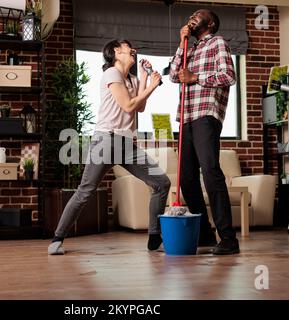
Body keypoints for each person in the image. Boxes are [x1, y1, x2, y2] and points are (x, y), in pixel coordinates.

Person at [48, 39, 171, 255]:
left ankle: (154, 237)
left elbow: (139, 107)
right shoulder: (112, 74)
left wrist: (144, 79)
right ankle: (57, 239)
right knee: (85, 191)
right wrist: (151, 85)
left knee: (161, 183)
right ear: (116, 51)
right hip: (106, 140)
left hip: (126, 143)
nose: (132, 49)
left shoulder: (131, 79)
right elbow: (127, 104)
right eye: (127, 46)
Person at [169, 9, 239, 255]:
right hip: (186, 117)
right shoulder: (191, 47)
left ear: (209, 23)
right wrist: (182, 43)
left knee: (210, 171)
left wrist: (195, 77)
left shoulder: (218, 42)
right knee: (186, 179)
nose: (192, 16)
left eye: (198, 14)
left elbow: (229, 76)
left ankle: (229, 239)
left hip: (206, 115)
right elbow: (173, 76)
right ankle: (206, 235)